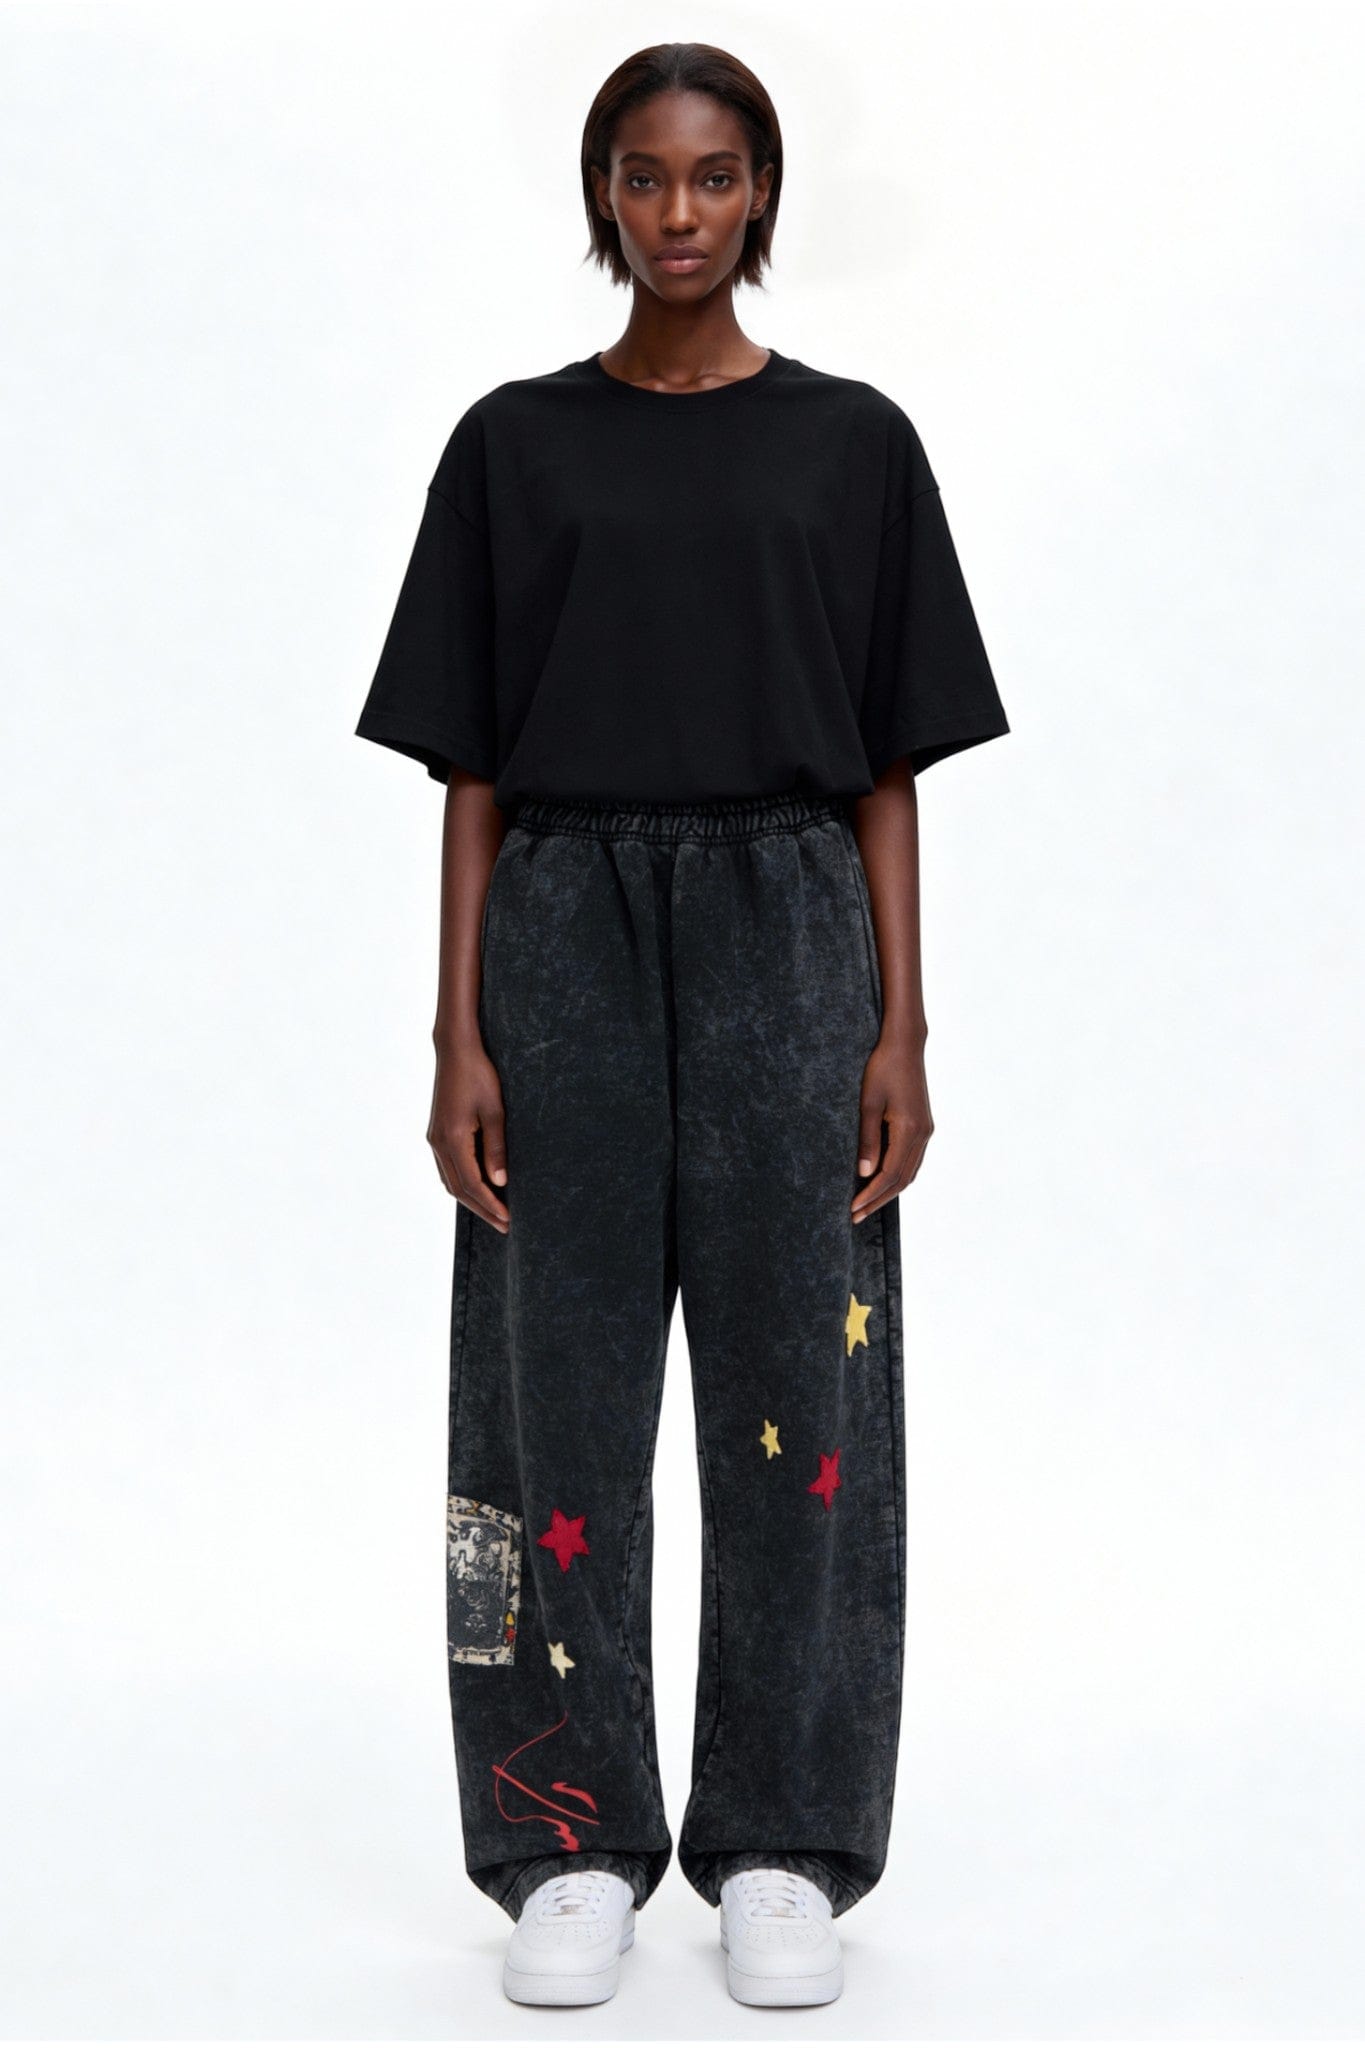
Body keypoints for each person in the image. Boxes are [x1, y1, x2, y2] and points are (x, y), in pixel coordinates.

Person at [354, 41, 1010, 2011]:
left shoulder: (852, 445)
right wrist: (457, 1032)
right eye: (642, 176)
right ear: (599, 196)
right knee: (541, 1398)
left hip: (789, 928)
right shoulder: (512, 446)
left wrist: (898, 1027)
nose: (677, 212)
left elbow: (889, 764)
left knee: (803, 1395)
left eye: (713, 176)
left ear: (761, 194)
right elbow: (468, 765)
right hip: (560, 928)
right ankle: (562, 1833)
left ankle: (783, 1839)